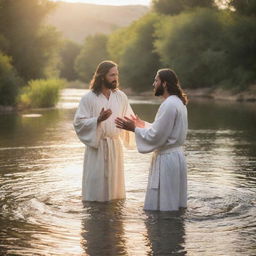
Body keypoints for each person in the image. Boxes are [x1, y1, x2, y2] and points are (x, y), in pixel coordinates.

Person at [115, 68, 188, 211]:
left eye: (156, 80)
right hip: (176, 157)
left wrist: (134, 129)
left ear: (165, 83)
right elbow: (164, 130)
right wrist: (142, 125)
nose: (153, 84)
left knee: (165, 206)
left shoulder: (168, 104)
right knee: (174, 203)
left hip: (167, 160)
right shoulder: (178, 102)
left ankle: (162, 231)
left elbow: (157, 136)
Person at [73, 60, 134, 202]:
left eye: (117, 75)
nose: (115, 78)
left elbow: (130, 119)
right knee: (96, 189)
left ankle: (114, 214)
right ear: (101, 76)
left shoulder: (120, 96)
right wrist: (97, 120)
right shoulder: (88, 98)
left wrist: (138, 127)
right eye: (112, 75)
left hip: (115, 146)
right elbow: (78, 122)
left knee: (115, 191)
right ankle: (95, 215)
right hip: (97, 147)